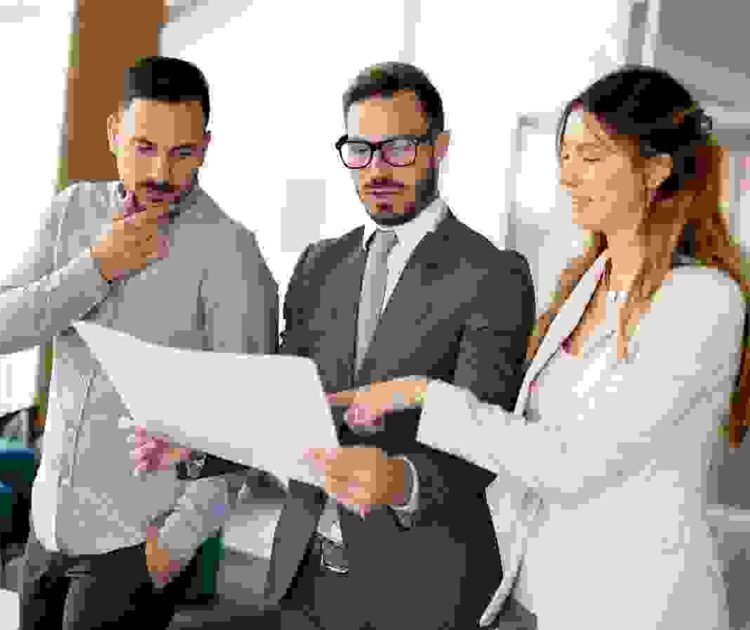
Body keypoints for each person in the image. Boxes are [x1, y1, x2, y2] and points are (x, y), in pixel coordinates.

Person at [324, 65, 749, 630]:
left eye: (590, 157)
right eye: (564, 157)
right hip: (533, 592)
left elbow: (571, 463)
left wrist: (424, 395)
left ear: (655, 168)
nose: (568, 176)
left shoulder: (702, 300)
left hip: (633, 605)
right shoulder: (586, 284)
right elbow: (526, 439)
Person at [136, 61, 537, 630]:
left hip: (422, 589)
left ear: (439, 148)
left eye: (398, 149)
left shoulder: (492, 274)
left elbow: (482, 440)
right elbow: (282, 409)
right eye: (360, 150)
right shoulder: (319, 265)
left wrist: (400, 479)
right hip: (303, 579)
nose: (377, 169)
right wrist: (196, 447)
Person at [4, 56, 278, 629]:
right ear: (113, 133)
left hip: (132, 551)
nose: (160, 171)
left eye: (182, 152)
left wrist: (170, 549)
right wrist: (96, 267)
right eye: (144, 146)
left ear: (205, 148)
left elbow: (244, 426)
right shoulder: (70, 213)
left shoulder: (233, 255)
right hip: (45, 535)